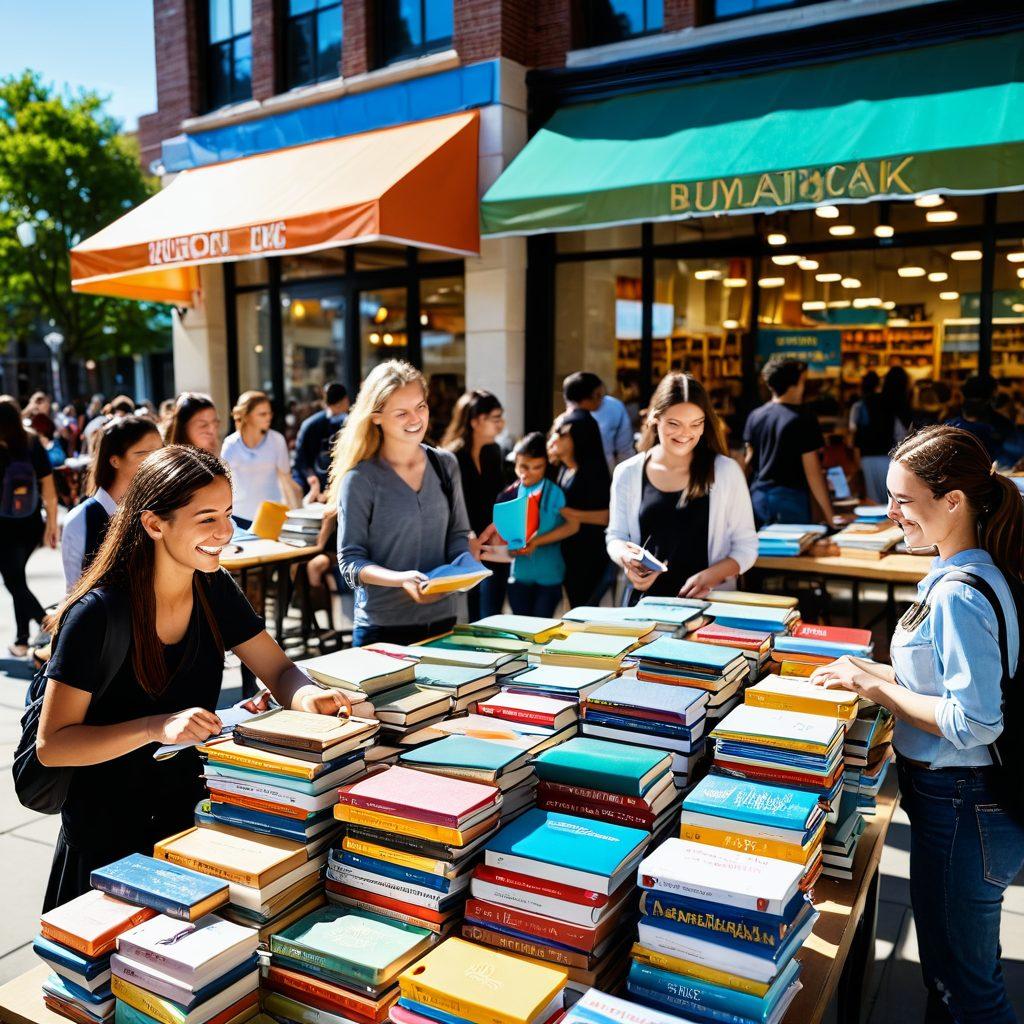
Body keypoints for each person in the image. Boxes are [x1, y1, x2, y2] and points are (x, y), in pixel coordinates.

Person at [36, 445, 350, 909]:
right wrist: (155, 727)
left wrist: (308, 698)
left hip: (190, 826)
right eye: (207, 519)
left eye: (227, 513)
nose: (226, 531)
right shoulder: (96, 615)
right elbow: (53, 745)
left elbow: (280, 670)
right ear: (153, 524)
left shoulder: (213, 585)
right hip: (107, 848)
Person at [811, 425, 1024, 1023]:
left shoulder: (960, 593)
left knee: (966, 986)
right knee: (953, 972)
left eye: (903, 500)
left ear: (952, 501)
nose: (891, 511)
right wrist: (874, 671)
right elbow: (950, 685)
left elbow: (977, 719)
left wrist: (877, 685)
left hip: (963, 805)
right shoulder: (970, 572)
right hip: (958, 804)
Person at [331, 360, 476, 649]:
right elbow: (349, 560)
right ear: (376, 417)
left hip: (446, 624)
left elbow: (459, 535)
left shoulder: (446, 465)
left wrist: (468, 564)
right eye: (402, 413)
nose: (416, 419)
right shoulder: (360, 479)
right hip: (383, 631)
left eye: (421, 407)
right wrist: (401, 580)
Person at [607, 373, 757, 603]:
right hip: (645, 609)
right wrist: (626, 558)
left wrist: (711, 576)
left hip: (710, 610)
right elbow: (616, 537)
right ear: (654, 419)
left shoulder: (726, 472)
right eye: (674, 424)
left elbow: (746, 548)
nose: (686, 434)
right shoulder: (627, 472)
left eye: (696, 424)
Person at [61, 416, 164, 589]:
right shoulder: (81, 520)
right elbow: (75, 593)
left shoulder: (164, 509)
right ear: (115, 460)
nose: (157, 462)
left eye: (161, 452)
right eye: (144, 454)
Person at [744, 357, 840, 527]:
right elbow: (813, 472)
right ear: (798, 382)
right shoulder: (803, 419)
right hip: (790, 501)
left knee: (760, 552)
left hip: (757, 497)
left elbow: (748, 462)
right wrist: (830, 516)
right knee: (794, 552)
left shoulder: (755, 416)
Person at [441, 389, 510, 619]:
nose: (501, 424)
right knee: (464, 620)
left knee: (491, 618)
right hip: (461, 549)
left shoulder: (495, 451)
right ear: (476, 421)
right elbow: (446, 508)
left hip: (493, 547)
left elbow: (498, 500)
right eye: (496, 418)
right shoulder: (451, 457)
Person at [0, 396, 59, 657]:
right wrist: (52, 523)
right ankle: (22, 640)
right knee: (17, 578)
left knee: (13, 581)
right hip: (32, 521)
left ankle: (48, 622)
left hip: (3, 526)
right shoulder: (32, 441)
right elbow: (48, 487)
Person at [498, 432, 578, 619]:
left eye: (537, 467)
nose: (527, 473)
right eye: (523, 466)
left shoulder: (555, 492)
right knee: (521, 634)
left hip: (550, 576)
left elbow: (573, 526)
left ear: (545, 466)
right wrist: (510, 548)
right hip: (518, 575)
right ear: (516, 461)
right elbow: (503, 536)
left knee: (541, 631)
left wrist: (537, 542)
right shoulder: (509, 493)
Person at [548, 410, 612, 607]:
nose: (554, 438)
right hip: (569, 554)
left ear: (579, 436)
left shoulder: (594, 472)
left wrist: (569, 513)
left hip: (590, 557)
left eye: (561, 433)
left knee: (584, 612)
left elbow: (607, 517)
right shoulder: (565, 469)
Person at [221, 391, 300, 529]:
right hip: (238, 518)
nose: (269, 417)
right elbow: (223, 483)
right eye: (262, 414)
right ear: (246, 416)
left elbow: (286, 481)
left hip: (271, 517)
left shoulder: (277, 440)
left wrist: (295, 518)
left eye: (269, 413)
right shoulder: (230, 444)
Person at [852, 366, 912, 504]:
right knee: (893, 503)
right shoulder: (898, 405)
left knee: (874, 504)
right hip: (889, 458)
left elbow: (857, 435)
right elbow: (901, 436)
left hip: (867, 459)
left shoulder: (865, 403)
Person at [563, 371, 635, 471]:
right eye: (598, 395)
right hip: (573, 474)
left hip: (606, 473)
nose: (601, 398)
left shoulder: (614, 407)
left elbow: (625, 449)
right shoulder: (566, 419)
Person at [292, 382, 350, 499]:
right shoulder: (354, 424)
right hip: (325, 490)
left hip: (320, 489)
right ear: (345, 400)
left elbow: (301, 461)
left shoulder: (310, 424)